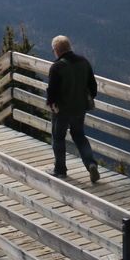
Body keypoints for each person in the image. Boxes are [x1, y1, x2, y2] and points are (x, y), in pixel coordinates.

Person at [45, 34, 100, 183]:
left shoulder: (57, 67)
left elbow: (52, 91)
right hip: (79, 109)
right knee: (79, 136)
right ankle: (91, 164)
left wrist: (51, 104)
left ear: (56, 50)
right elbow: (93, 88)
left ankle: (60, 170)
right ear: (69, 47)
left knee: (58, 138)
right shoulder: (84, 62)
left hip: (62, 111)